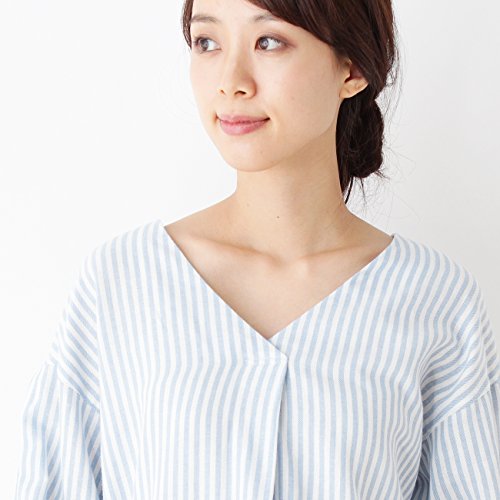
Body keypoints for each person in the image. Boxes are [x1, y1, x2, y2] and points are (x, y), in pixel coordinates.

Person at [15, 0, 500, 498]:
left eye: (269, 42)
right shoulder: (122, 282)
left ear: (352, 68)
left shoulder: (435, 299)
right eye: (207, 42)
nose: (231, 81)